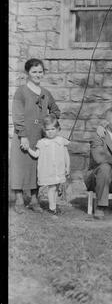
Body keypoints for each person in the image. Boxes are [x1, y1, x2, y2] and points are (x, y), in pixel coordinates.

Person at [10, 58, 61, 214]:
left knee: (37, 167)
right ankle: (19, 199)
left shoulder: (46, 93)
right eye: (34, 72)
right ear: (27, 73)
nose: (38, 74)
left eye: (40, 72)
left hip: (39, 136)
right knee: (20, 166)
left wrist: (48, 124)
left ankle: (34, 199)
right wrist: (23, 135)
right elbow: (17, 115)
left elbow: (56, 111)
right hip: (23, 134)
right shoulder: (21, 91)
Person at [27, 114, 70, 216]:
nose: (50, 132)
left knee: (56, 188)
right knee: (52, 188)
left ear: (58, 129)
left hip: (59, 170)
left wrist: (68, 167)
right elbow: (36, 154)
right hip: (49, 170)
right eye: (47, 130)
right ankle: (52, 208)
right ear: (44, 131)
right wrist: (28, 148)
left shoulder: (61, 141)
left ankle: (54, 205)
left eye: (53, 129)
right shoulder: (42, 142)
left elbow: (66, 155)